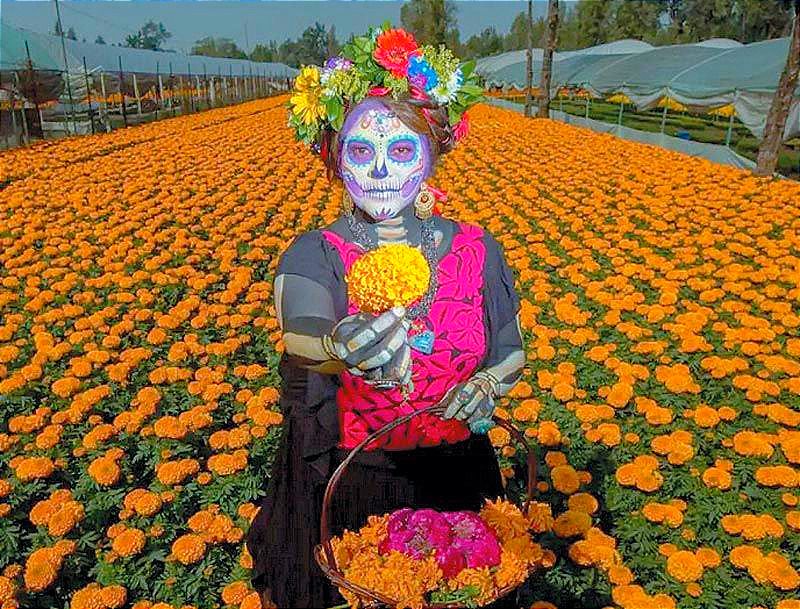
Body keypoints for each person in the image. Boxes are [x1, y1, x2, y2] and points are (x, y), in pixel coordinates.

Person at [245, 25, 526, 609]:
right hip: (355, 485)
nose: (379, 170)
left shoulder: (477, 248)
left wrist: (487, 384)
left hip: (458, 480)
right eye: (360, 150)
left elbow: (509, 346)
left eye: (400, 150)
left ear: (434, 153)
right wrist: (341, 345)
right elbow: (300, 329)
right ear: (333, 155)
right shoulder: (315, 252)